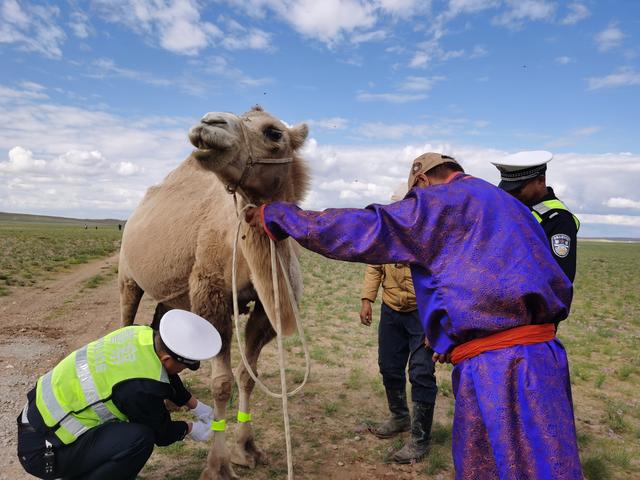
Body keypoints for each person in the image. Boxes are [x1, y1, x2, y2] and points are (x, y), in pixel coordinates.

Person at [245, 152, 582, 479]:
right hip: (543, 357)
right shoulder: (505, 203)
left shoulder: (439, 203)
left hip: (501, 369)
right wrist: (453, 337)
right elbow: (491, 277)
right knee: (549, 459)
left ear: (422, 180)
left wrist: (279, 216)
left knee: (504, 465)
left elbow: (364, 229)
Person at [17, 309, 222, 480]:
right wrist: (190, 428)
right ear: (167, 359)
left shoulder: (139, 334)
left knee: (127, 431)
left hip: (35, 419)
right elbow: (163, 433)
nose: (181, 372)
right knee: (139, 439)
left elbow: (164, 375)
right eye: (183, 368)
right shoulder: (140, 388)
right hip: (45, 452)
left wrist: (194, 405)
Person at [360, 259, 437, 463]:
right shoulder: (386, 229)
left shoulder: (426, 231)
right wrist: (367, 299)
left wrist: (436, 321)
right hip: (391, 309)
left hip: (423, 312)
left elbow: (440, 271)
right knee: (389, 365)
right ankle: (400, 417)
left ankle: (421, 439)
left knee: (421, 371)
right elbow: (375, 264)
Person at [491, 151, 580, 282]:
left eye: (517, 190)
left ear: (540, 181)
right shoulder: (518, 210)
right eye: (507, 191)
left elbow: (560, 279)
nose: (511, 196)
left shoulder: (558, 219)